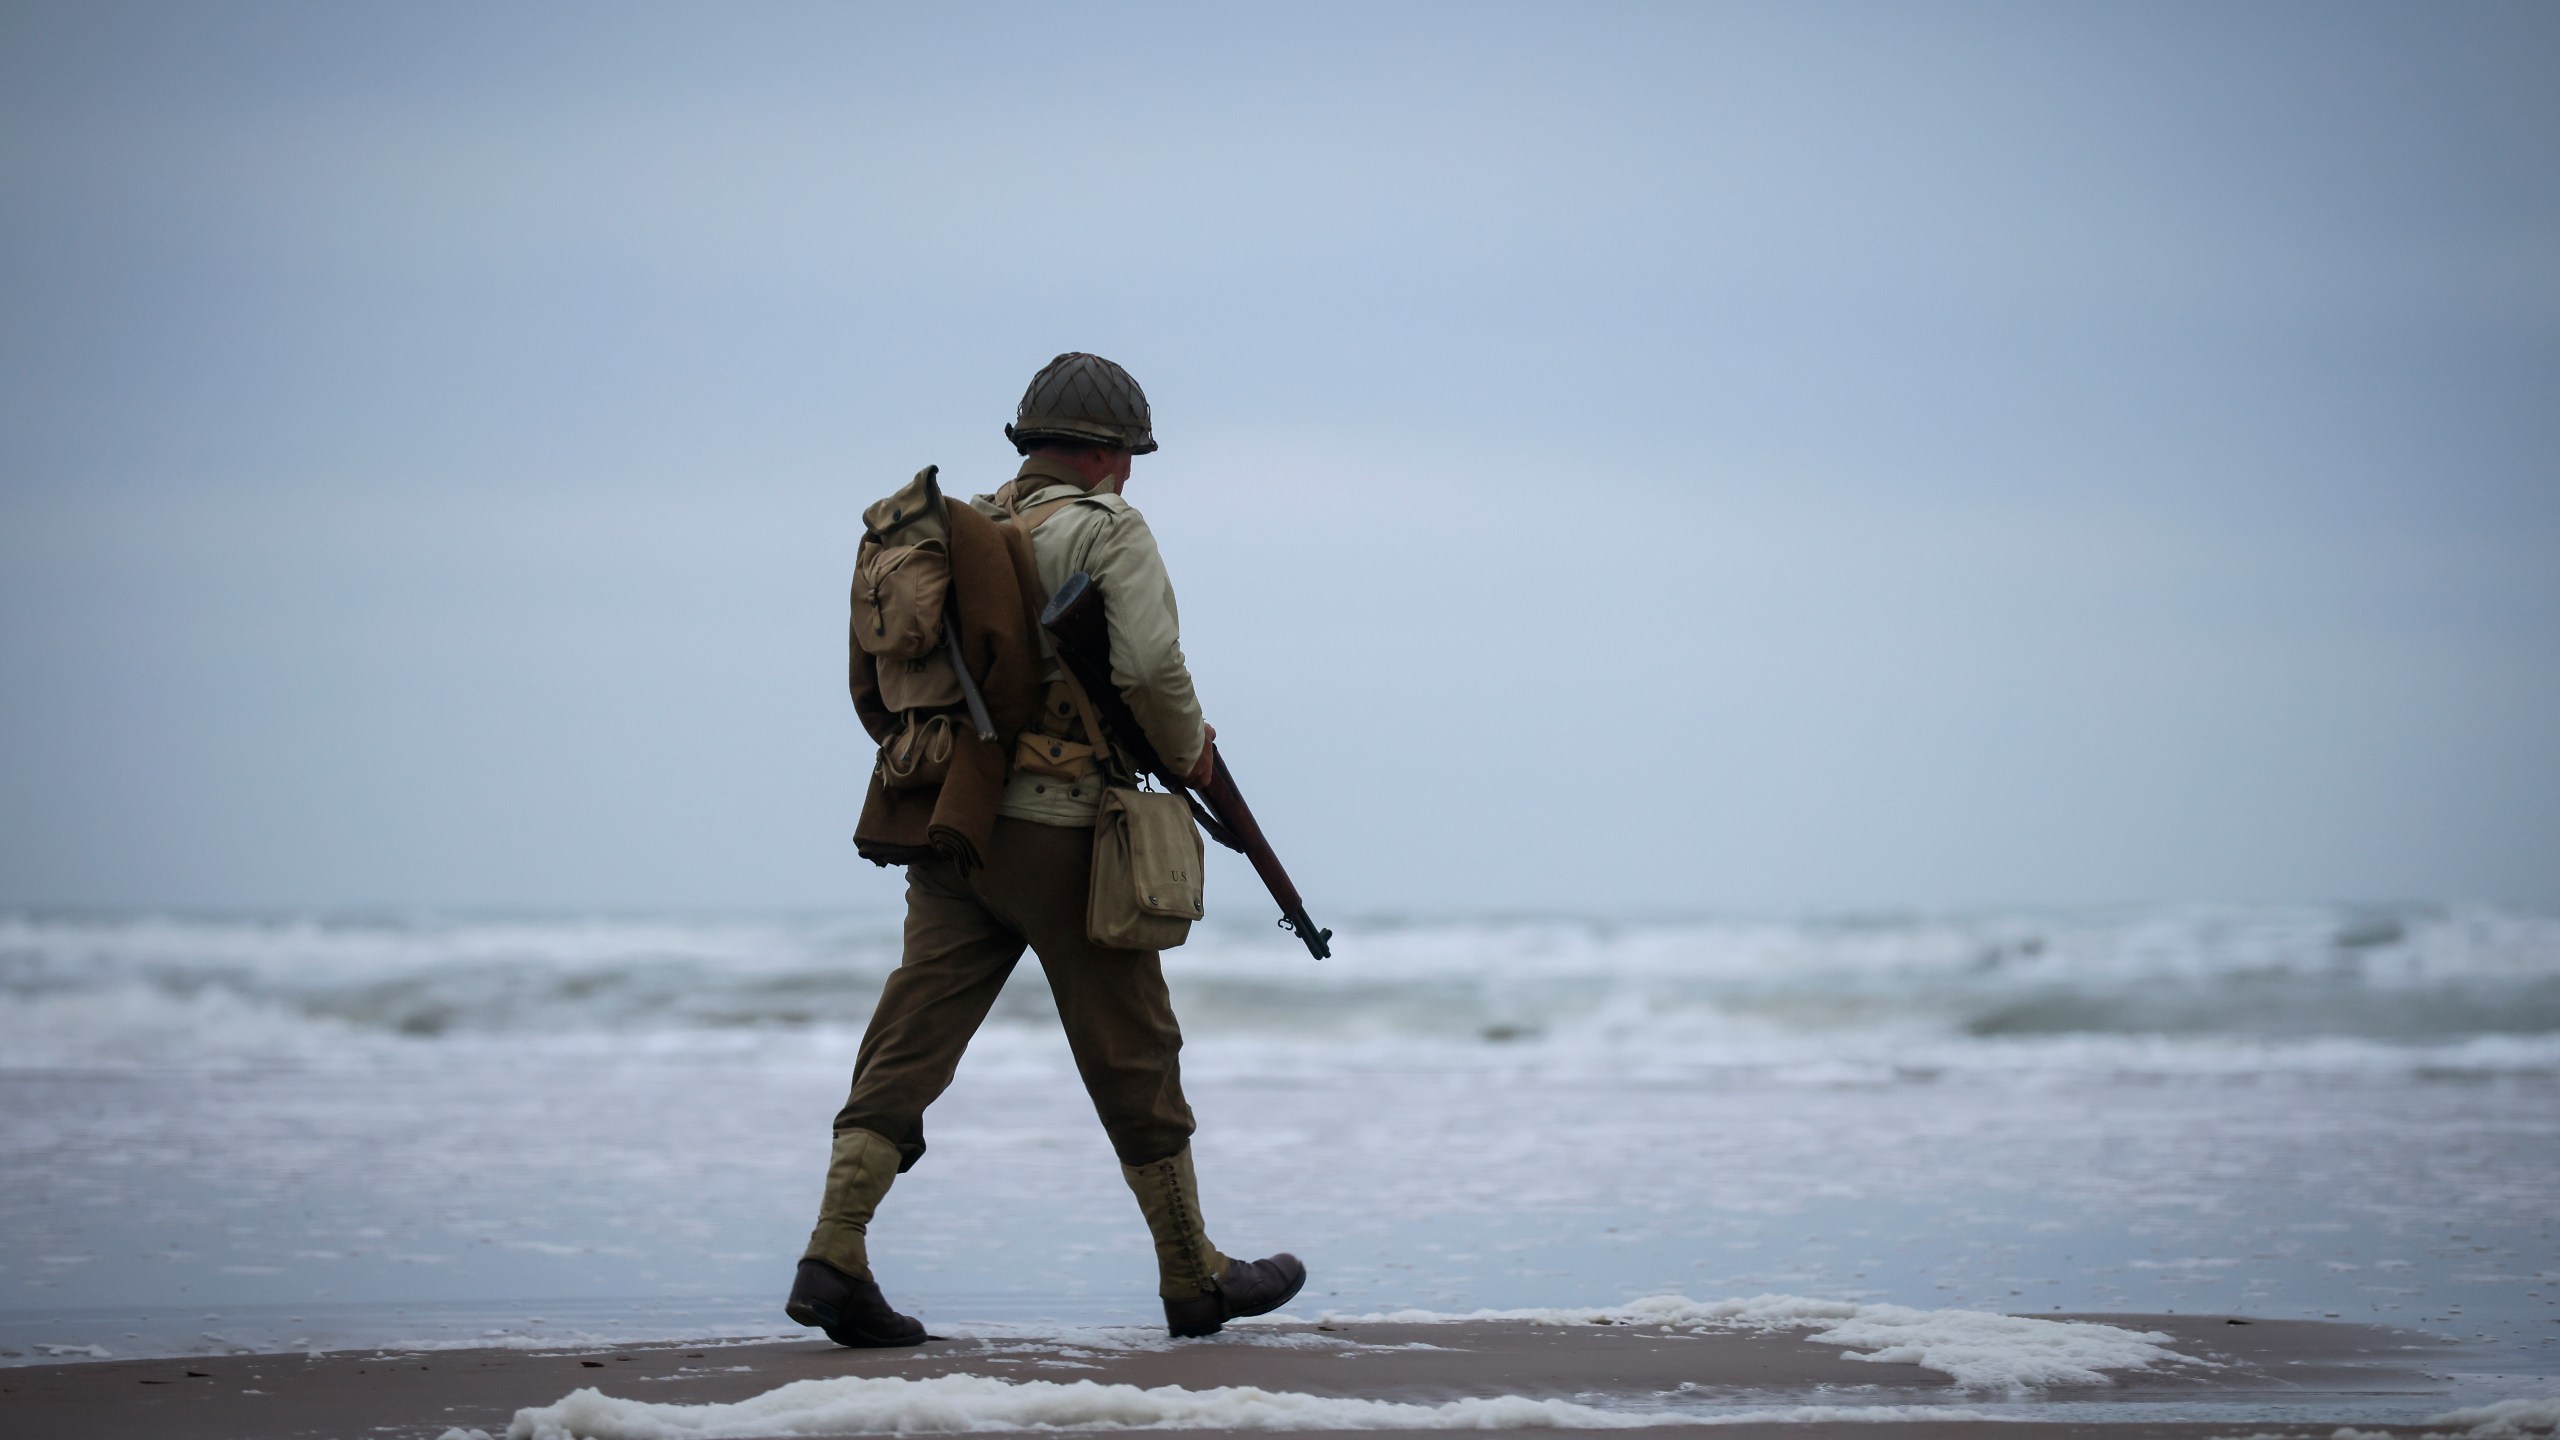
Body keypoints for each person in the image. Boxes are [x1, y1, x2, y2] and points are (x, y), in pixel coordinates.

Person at [785, 353, 1306, 1348]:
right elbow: (1152, 669)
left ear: (1028, 442)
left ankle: (832, 1252)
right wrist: (1192, 752)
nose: (1130, 473)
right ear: (1107, 453)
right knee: (1134, 1047)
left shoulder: (959, 531)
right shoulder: (1107, 529)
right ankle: (1191, 1272)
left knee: (909, 1038)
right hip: (1062, 828)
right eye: (1128, 455)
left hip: (950, 822)